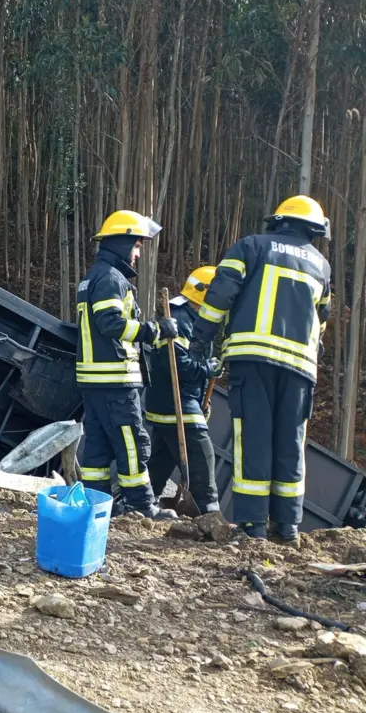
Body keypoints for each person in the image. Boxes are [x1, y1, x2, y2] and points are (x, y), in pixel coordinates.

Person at [190, 195, 332, 542]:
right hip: (300, 367)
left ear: (279, 221)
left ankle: (253, 526)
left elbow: (220, 294)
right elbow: (322, 321)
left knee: (253, 438)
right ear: (314, 229)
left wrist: (200, 338)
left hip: (252, 360)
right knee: (290, 443)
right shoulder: (322, 266)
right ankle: (288, 527)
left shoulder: (250, 247)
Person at [75, 210, 179, 520]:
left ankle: (97, 505)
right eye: (136, 246)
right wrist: (155, 330)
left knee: (97, 449)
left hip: (94, 381)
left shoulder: (93, 277)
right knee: (133, 443)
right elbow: (110, 324)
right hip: (114, 380)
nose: (137, 254)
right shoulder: (110, 278)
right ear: (122, 243)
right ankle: (141, 506)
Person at [144, 266, 221, 514]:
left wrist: (201, 400)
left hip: (177, 402)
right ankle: (209, 512)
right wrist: (206, 369)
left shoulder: (196, 321)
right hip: (173, 403)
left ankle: (139, 503)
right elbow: (174, 364)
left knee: (161, 460)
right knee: (201, 455)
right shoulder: (179, 320)